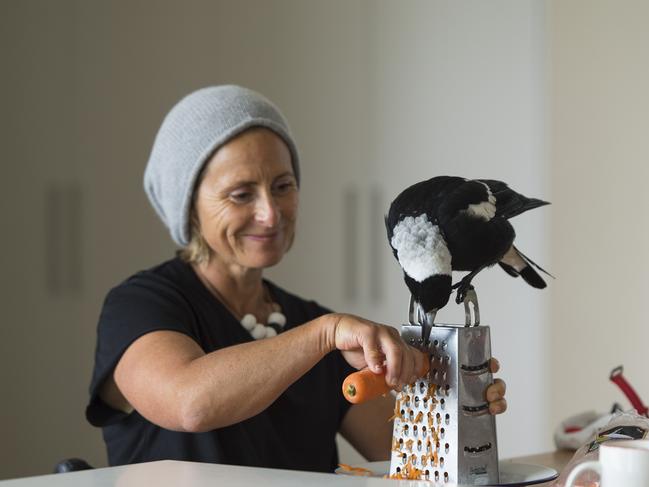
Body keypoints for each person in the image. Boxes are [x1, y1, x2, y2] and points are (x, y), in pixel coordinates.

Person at [86, 85, 507, 472]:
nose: (271, 213)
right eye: (241, 194)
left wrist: (457, 398)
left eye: (283, 186)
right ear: (189, 205)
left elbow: (410, 455)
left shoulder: (310, 325)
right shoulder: (139, 305)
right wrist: (325, 333)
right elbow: (189, 403)